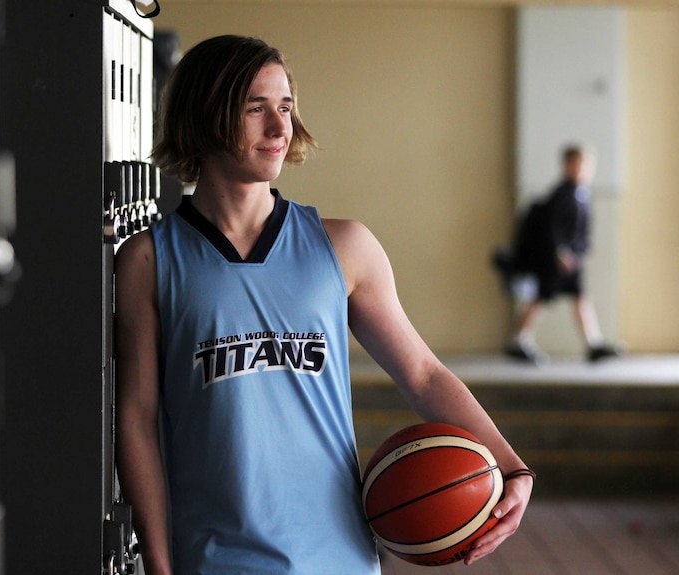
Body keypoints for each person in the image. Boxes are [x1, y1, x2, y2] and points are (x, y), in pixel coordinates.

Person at [115, 35, 534, 575]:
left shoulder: (344, 247)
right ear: (205, 116)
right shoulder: (150, 259)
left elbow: (424, 376)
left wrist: (512, 468)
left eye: (285, 106)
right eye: (255, 108)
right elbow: (137, 419)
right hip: (214, 560)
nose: (279, 127)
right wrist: (159, 562)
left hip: (337, 558)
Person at [503, 145, 621, 364]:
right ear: (566, 165)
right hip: (556, 262)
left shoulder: (582, 194)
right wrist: (560, 253)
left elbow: (582, 230)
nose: (581, 169)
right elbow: (553, 228)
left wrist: (581, 251)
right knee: (540, 297)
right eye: (576, 164)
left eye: (585, 164)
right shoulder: (561, 194)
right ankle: (519, 340)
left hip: (572, 261)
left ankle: (592, 343)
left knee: (580, 298)